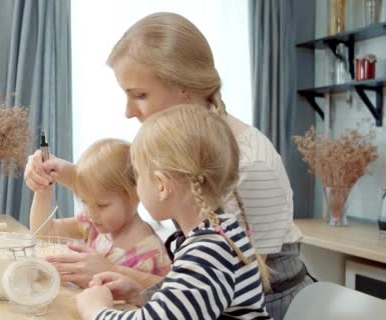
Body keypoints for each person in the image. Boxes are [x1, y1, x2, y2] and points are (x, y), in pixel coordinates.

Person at [24, 12, 311, 319]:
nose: (127, 112)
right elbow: (194, 291)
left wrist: (103, 297)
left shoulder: (253, 168)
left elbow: (216, 290)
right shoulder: (192, 153)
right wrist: (65, 174)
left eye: (140, 95)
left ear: (183, 87)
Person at [75, 105, 272, 320]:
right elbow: (192, 305)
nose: (136, 185)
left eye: (138, 175)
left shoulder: (207, 250)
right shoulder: (222, 231)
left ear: (161, 185)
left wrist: (95, 310)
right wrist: (142, 294)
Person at [29, 138, 170, 287]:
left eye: (102, 205)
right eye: (85, 202)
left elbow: (166, 301)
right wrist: (43, 188)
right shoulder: (94, 225)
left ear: (135, 195)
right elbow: (43, 232)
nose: (91, 213)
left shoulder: (152, 256)